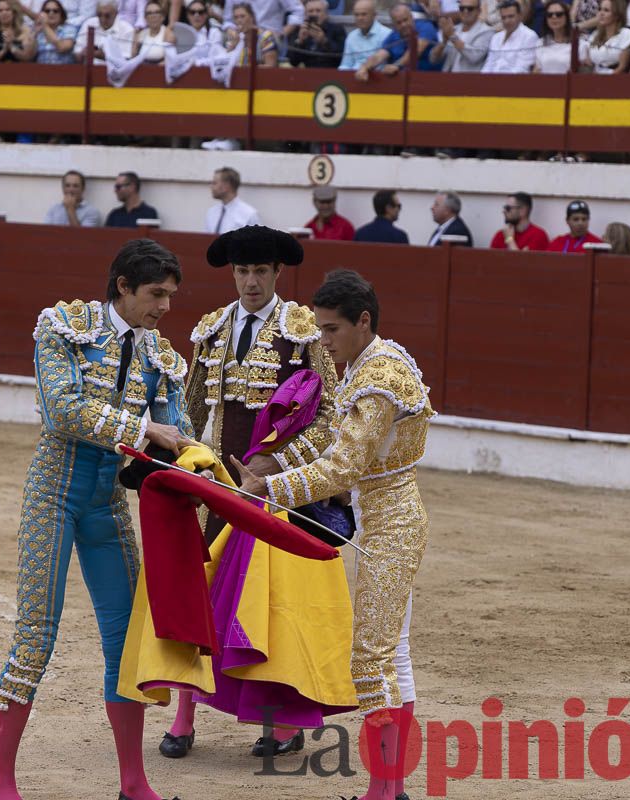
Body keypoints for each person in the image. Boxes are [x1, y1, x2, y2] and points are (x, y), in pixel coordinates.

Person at [0, 239, 198, 800]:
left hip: (107, 504)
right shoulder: (63, 327)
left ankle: (133, 783)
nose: (165, 308)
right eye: (156, 294)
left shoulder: (161, 356)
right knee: (35, 637)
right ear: (123, 287)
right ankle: (0, 785)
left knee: (125, 643)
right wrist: (146, 432)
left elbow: (177, 431)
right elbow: (64, 411)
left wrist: (201, 464)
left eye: (172, 296)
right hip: (53, 496)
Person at [147, 225, 346, 760]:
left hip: (273, 491)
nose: (250, 281)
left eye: (260, 271)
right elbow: (186, 413)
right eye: (242, 271)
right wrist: (189, 467)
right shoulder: (211, 329)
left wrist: (274, 463)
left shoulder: (303, 330)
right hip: (217, 483)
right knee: (203, 593)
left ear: (278, 273)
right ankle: (185, 719)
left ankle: (278, 722)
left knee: (266, 605)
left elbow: (328, 418)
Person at [235, 268, 433, 800]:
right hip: (384, 516)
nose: (322, 342)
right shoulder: (368, 361)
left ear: (362, 321)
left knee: (370, 659)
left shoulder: (379, 378)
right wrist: (273, 473)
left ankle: (382, 791)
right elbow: (333, 446)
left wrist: (271, 489)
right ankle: (388, 788)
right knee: (393, 656)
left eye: (329, 330)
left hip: (390, 525)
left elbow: (342, 469)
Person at [354, 2, 440, 80]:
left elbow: (416, 50)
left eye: (405, 20)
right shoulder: (393, 35)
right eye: (399, 22)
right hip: (400, 82)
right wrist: (364, 67)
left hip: (429, 80)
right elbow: (379, 55)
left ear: (411, 17)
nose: (403, 24)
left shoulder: (426, 27)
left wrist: (396, 65)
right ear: (393, 24)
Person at [429, 0, 491, 72]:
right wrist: (443, 43)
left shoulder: (486, 31)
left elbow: (474, 57)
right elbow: (433, 59)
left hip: (471, 80)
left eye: (470, 9)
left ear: (479, 11)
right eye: (462, 8)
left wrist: (452, 36)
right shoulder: (454, 29)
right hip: (449, 79)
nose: (465, 11)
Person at [481, 0, 538, 74]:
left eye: (511, 16)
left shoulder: (529, 36)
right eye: (503, 17)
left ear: (520, 15)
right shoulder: (496, 37)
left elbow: (522, 69)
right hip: (490, 81)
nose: (507, 21)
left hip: (515, 82)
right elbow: (488, 65)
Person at [533, 0, 588, 74]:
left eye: (559, 14)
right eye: (549, 15)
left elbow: (584, 74)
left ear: (567, 17)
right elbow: (536, 72)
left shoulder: (580, 44)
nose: (554, 17)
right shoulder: (540, 43)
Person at [204, 167, 261, 234]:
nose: (211, 187)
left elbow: (256, 242)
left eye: (214, 183)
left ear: (226, 185)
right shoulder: (212, 212)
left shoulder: (249, 214)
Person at [288, 0, 345, 68]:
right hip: (308, 73)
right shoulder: (300, 30)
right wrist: (300, 41)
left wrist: (324, 41)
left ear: (326, 14)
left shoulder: (337, 30)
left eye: (318, 11)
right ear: (305, 15)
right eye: (310, 11)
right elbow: (293, 62)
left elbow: (341, 58)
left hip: (331, 73)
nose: (314, 14)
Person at [585, 0, 630, 74]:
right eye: (600, 9)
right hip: (595, 77)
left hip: (616, 79)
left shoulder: (626, 34)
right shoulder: (595, 34)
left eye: (606, 10)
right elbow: (589, 62)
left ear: (617, 15)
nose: (601, 13)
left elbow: (622, 67)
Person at [338, 0, 389, 72]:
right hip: (353, 78)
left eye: (364, 14)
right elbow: (346, 64)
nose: (360, 18)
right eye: (356, 15)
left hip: (378, 78)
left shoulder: (386, 34)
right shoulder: (351, 37)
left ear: (374, 15)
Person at [223, 2, 277, 67]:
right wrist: (234, 45)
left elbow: (270, 66)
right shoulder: (235, 38)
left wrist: (248, 69)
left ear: (251, 17)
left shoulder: (265, 37)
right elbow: (224, 65)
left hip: (261, 76)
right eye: (236, 17)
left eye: (242, 16)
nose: (239, 20)